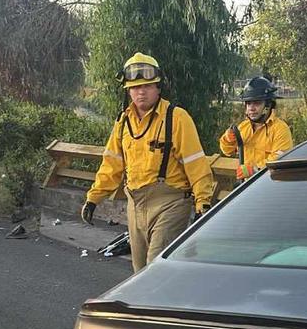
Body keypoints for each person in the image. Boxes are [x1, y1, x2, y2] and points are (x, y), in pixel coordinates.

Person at [81, 53, 216, 272]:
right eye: (135, 87)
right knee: (139, 272)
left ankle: (165, 304)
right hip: (135, 204)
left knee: (155, 269)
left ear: (158, 87)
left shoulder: (176, 117)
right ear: (128, 90)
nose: (141, 92)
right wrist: (93, 198)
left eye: (147, 86)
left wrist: (202, 203)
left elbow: (195, 163)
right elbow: (111, 164)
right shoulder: (123, 122)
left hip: (170, 204)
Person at [219, 76, 294, 180]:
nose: (251, 108)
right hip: (249, 187)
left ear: (268, 105)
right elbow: (227, 151)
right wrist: (228, 140)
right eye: (249, 103)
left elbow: (280, 160)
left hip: (271, 185)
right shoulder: (243, 127)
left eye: (257, 103)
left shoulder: (280, 129)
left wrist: (254, 170)